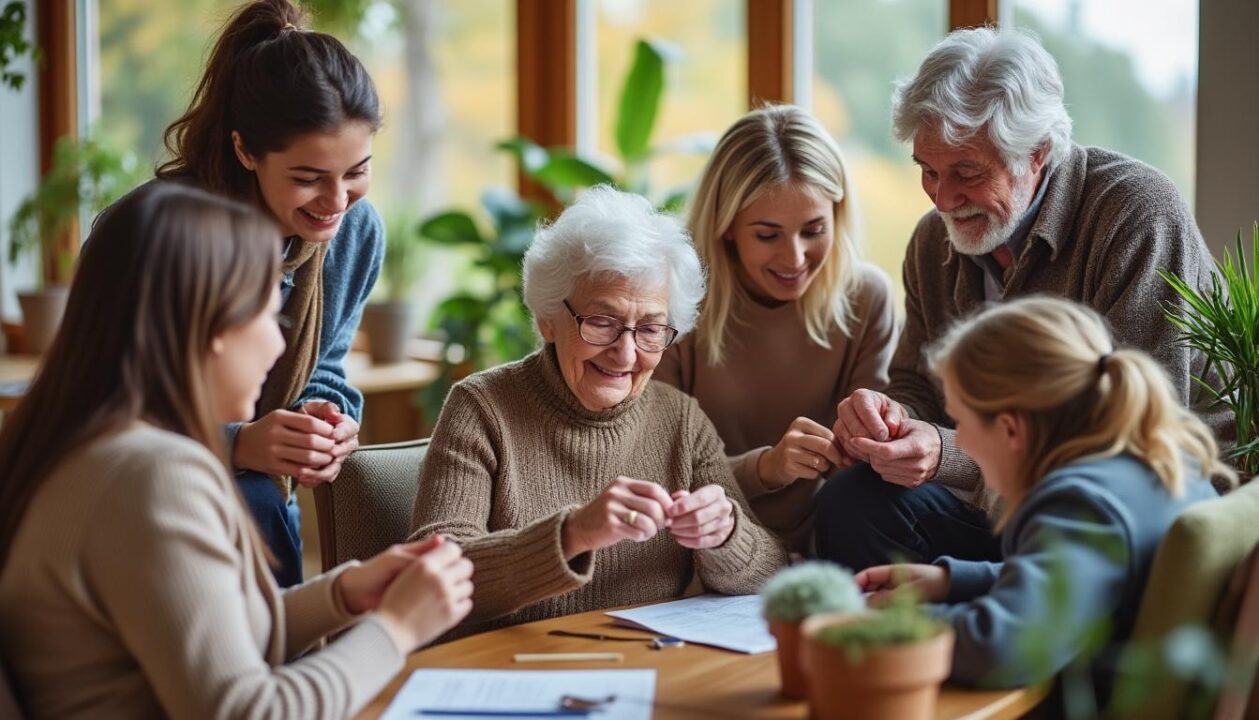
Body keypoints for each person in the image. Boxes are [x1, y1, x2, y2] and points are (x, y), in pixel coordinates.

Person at [0, 184, 472, 719]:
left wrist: (344, 594)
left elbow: (206, 637)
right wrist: (397, 629)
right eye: (271, 318)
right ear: (212, 329)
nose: (278, 347)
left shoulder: (94, 448)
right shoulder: (152, 477)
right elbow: (246, 711)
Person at [814, 26, 1233, 570]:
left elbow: (1132, 439)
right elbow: (919, 383)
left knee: (1070, 523)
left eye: (966, 172)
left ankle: (969, 629)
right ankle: (908, 647)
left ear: (1037, 153)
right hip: (1002, 503)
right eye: (928, 170)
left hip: (1118, 508)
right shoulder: (932, 240)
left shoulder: (1137, 215)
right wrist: (891, 420)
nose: (943, 198)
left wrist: (949, 452)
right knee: (849, 501)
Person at [410, 186, 787, 635]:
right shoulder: (482, 409)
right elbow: (433, 571)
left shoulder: (681, 420)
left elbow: (772, 573)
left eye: (650, 328)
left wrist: (725, 534)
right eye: (602, 322)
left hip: (647, 671)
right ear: (548, 318)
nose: (626, 354)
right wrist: (572, 533)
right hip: (513, 672)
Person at [855, 296, 1231, 699]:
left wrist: (878, 625)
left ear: (1011, 431)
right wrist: (951, 581)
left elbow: (1000, 646)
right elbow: (1079, 582)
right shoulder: (1162, 464)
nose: (958, 440)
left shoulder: (1081, 504)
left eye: (961, 421)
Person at [152, 0, 387, 586]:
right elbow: (101, 412)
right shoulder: (156, 235)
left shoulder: (356, 231)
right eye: (308, 178)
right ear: (245, 151)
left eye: (356, 171)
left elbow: (325, 365)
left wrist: (326, 418)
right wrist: (235, 444)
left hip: (260, 493)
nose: (336, 202)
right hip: (152, 497)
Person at [656, 105, 897, 554]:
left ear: (838, 214)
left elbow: (871, 471)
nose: (795, 258)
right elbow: (657, 468)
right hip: (694, 551)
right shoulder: (672, 302)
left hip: (835, 549)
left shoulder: (867, 299)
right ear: (726, 227)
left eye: (814, 230)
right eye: (768, 235)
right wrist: (767, 468)